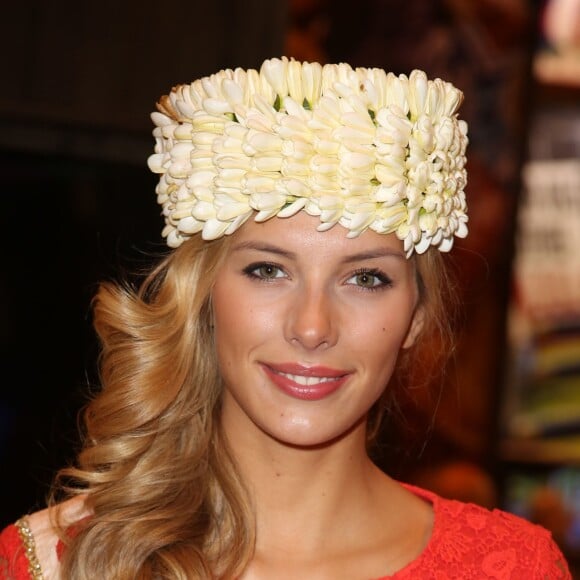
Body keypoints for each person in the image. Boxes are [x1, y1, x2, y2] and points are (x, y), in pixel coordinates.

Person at [0, 56, 571, 579]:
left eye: (366, 278)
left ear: (416, 316)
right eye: (268, 270)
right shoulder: (60, 559)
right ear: (203, 295)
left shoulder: (512, 566)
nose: (313, 326)